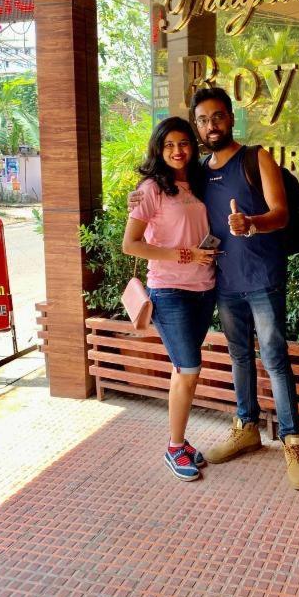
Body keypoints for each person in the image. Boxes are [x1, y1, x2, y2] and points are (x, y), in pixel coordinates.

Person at [190, 86, 299, 491]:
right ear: (197, 126)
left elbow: (281, 213)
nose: (211, 125)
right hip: (225, 282)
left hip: (263, 277)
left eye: (217, 117)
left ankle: (292, 442)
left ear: (230, 118)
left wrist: (251, 223)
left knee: (274, 358)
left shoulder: (256, 157)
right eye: (203, 120)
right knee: (239, 356)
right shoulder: (199, 171)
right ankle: (246, 428)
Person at [122, 116, 218, 482]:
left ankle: (181, 442)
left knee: (183, 369)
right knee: (189, 369)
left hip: (204, 289)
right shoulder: (151, 188)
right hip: (170, 291)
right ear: (159, 150)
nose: (177, 151)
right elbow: (131, 244)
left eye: (184, 143)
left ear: (193, 146)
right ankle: (175, 446)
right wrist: (185, 255)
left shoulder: (199, 183)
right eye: (169, 145)